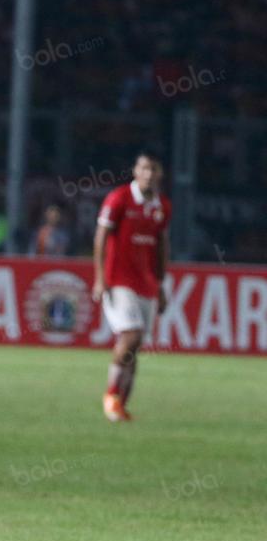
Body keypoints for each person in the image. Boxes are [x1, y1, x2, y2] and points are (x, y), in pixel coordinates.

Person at [92, 150, 171, 422]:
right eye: (144, 168)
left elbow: (160, 246)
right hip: (118, 281)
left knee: (135, 346)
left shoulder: (163, 207)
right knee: (131, 336)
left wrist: (160, 284)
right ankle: (110, 395)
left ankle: (121, 405)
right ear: (136, 171)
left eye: (154, 169)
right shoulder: (119, 199)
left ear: (160, 174)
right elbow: (101, 236)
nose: (149, 174)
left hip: (146, 283)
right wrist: (100, 278)